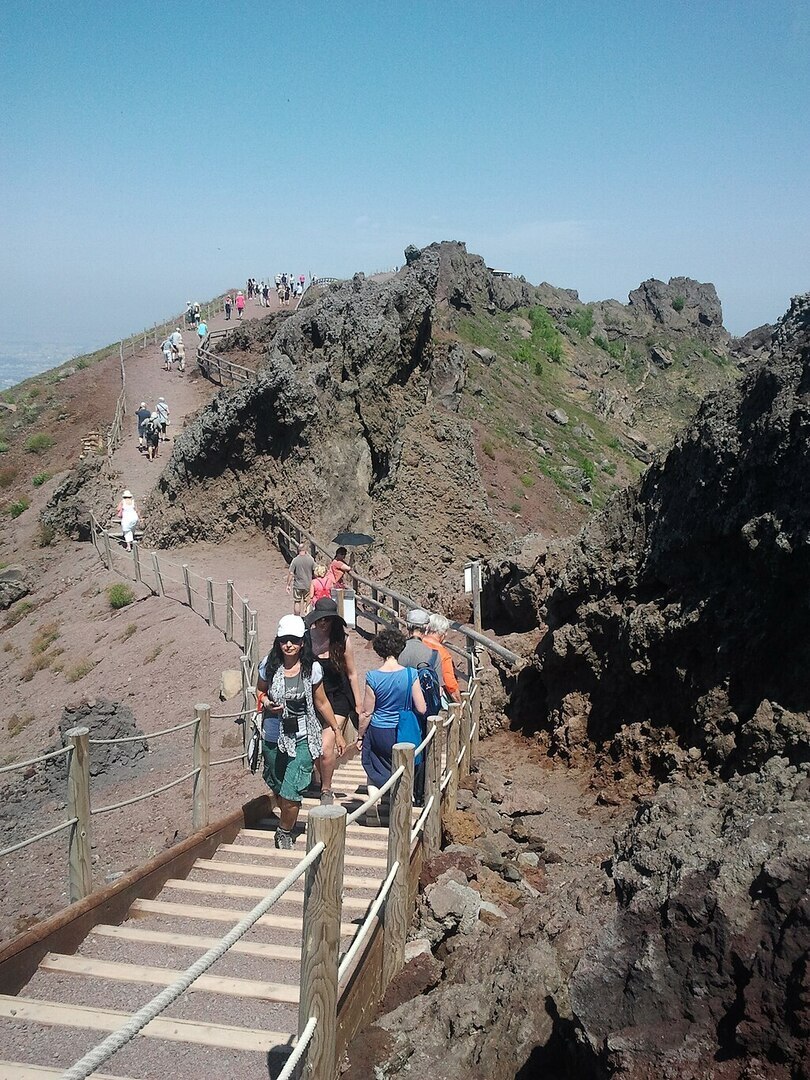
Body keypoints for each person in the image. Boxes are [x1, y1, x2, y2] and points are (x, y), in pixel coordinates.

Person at [256, 615, 346, 849]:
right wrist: (266, 703)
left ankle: (284, 831)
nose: (289, 645)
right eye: (284, 640)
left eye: (294, 640)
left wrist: (336, 730)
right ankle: (288, 816)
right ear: (278, 641)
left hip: (303, 736)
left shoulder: (312, 668)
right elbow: (260, 691)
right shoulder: (269, 665)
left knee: (292, 788)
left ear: (302, 642)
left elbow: (321, 701)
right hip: (274, 734)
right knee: (277, 784)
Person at [357, 628, 426, 822]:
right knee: (402, 767)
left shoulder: (372, 676)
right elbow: (421, 708)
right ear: (400, 649)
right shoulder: (411, 674)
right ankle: (401, 810)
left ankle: (372, 800)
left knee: (373, 766)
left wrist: (361, 735)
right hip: (403, 731)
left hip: (379, 729)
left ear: (379, 650)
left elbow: (367, 712)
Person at [305, 597, 363, 804]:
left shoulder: (342, 639)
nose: (323, 623)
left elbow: (352, 673)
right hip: (312, 696)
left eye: (327, 620)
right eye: (320, 619)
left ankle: (326, 789)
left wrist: (358, 704)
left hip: (338, 697)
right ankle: (319, 777)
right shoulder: (305, 639)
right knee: (312, 744)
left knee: (325, 745)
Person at [423, 613, 461, 704]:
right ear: (443, 633)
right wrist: (459, 702)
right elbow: (450, 683)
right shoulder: (443, 653)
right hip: (431, 695)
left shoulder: (418, 643)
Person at [398, 608, 442, 684]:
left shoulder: (397, 650)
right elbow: (439, 688)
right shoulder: (434, 654)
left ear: (407, 626)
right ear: (427, 628)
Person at [286, 542, 315, 616]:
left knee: (297, 601)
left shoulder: (295, 560)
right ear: (305, 550)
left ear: (298, 550)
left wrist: (288, 584)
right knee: (307, 601)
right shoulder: (311, 559)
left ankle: (297, 617)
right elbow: (315, 570)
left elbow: (291, 573)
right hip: (308, 584)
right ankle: (306, 617)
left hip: (298, 585)